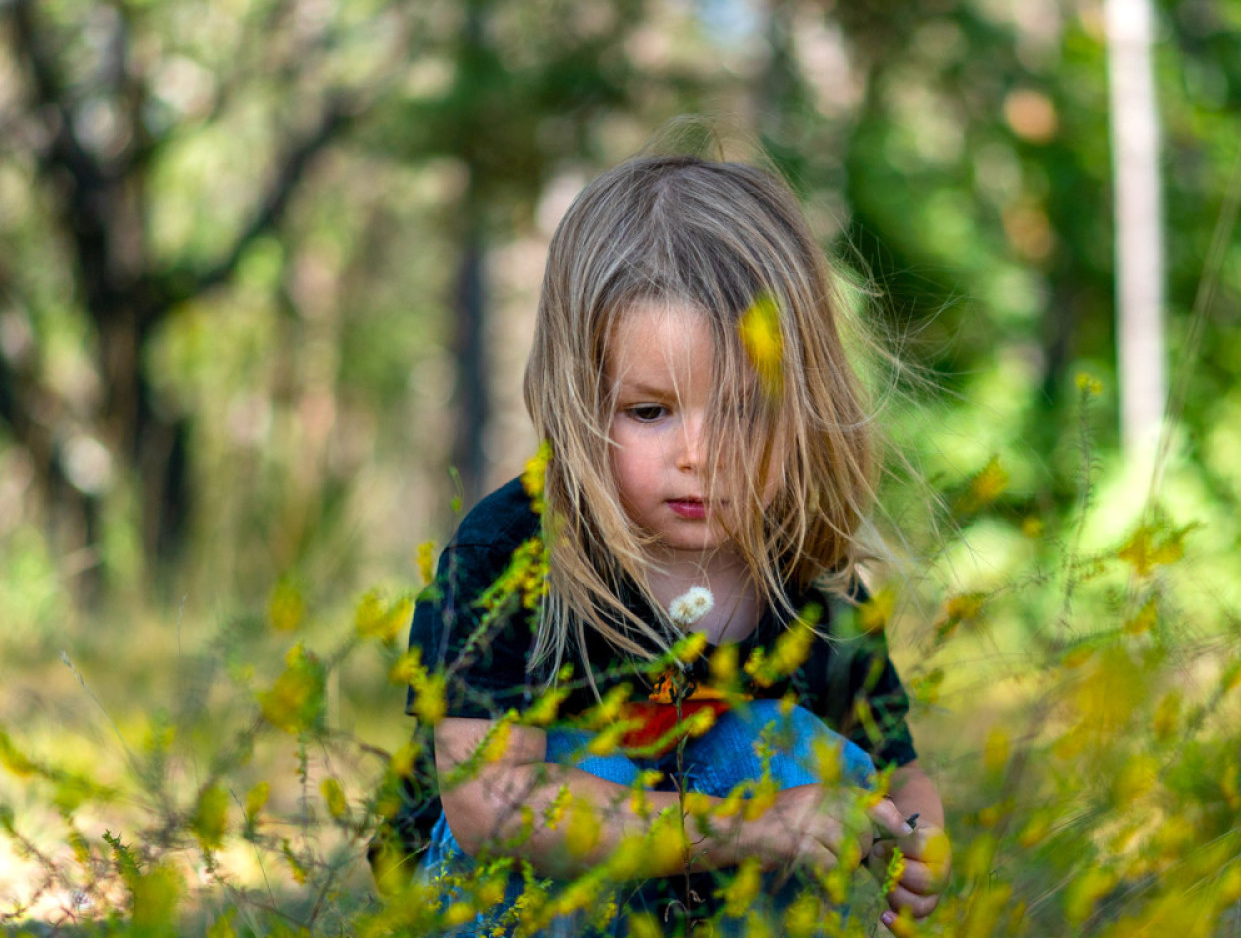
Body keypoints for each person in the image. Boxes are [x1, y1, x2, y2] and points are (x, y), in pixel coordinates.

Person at [387, 153, 950, 936]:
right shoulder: (516, 551)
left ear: (804, 405)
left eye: (744, 411)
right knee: (615, 765)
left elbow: (897, 768)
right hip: (492, 901)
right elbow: (491, 804)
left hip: (687, 897)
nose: (701, 456)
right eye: (650, 412)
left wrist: (919, 843)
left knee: (790, 751)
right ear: (580, 399)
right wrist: (753, 825)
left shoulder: (810, 582)